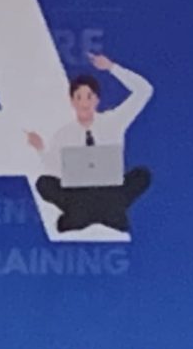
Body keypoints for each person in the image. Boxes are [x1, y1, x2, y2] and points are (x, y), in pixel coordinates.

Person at [26, 53, 155, 234]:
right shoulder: (64, 134)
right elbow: (53, 166)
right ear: (72, 101)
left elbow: (144, 91)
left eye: (89, 97)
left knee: (142, 175)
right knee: (44, 183)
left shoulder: (113, 121)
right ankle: (80, 216)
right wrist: (40, 148)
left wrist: (111, 67)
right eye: (78, 97)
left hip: (111, 194)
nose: (84, 103)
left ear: (97, 100)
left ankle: (105, 215)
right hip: (80, 196)